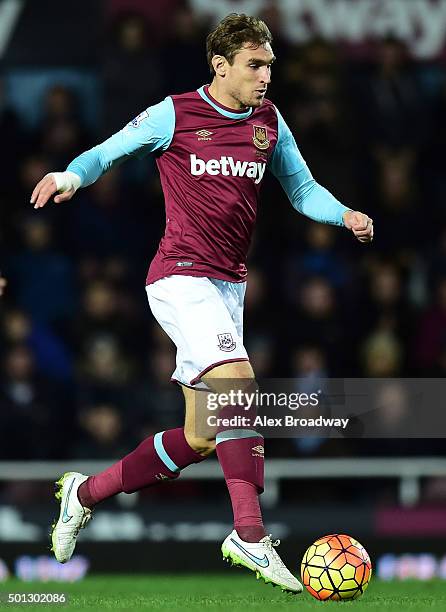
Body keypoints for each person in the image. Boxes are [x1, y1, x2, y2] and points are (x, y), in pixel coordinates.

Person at [30, 14, 373, 593]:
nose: (266, 76)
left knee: (203, 436)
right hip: (178, 277)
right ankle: (250, 534)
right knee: (239, 381)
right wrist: (71, 175)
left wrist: (343, 214)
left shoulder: (270, 121)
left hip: (227, 287)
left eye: (269, 65)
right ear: (222, 66)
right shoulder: (176, 113)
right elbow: (108, 151)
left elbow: (302, 188)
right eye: (255, 66)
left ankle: (81, 493)